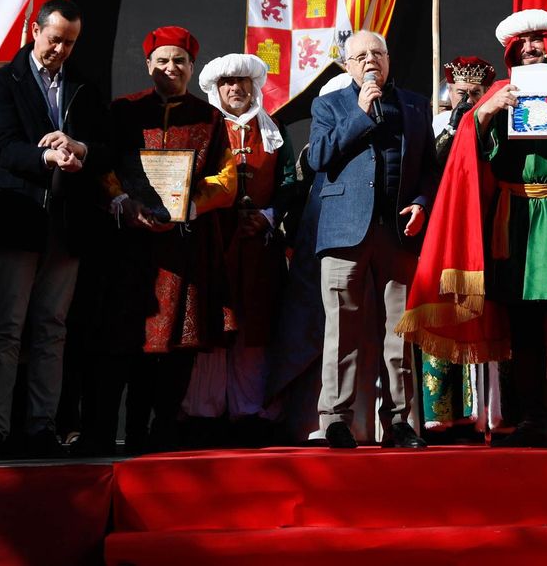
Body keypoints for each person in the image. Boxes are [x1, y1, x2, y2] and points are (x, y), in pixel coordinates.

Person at [400, 9, 547, 449]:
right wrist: (486, 112)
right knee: (524, 325)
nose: (531, 48)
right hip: (515, 221)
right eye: (523, 43)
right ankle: (533, 420)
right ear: (512, 50)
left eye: (539, 40)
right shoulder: (498, 91)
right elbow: (466, 152)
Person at [73, 28, 237, 455]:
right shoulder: (123, 111)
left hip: (181, 247)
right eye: (162, 60)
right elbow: (102, 166)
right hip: (126, 250)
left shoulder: (211, 119)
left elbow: (226, 179)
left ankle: (158, 439)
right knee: (117, 346)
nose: (171, 68)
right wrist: (122, 201)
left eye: (179, 60)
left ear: (191, 66)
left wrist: (187, 206)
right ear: (148, 64)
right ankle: (101, 438)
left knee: (175, 349)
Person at [0, 0, 110, 458]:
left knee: (52, 328)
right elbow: (4, 147)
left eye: (70, 43)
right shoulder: (3, 82)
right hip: (18, 218)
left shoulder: (83, 87)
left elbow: (105, 149)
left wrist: (79, 149)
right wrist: (46, 156)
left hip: (67, 224)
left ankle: (41, 425)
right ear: (35, 31)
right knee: (7, 328)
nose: (61, 50)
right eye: (55, 40)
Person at [307, 30, 439, 449]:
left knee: (400, 332)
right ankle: (336, 420)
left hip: (398, 233)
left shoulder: (417, 105)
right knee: (341, 331)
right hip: (345, 232)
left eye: (377, 53)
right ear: (347, 65)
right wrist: (361, 113)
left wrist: (421, 201)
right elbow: (318, 157)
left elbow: (430, 170)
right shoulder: (330, 105)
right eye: (360, 55)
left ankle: (399, 422)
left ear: (388, 58)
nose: (369, 61)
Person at [180, 51, 297, 443]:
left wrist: (266, 215)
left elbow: (289, 185)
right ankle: (205, 410)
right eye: (227, 83)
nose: (235, 89)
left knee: (254, 327)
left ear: (254, 86)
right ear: (216, 88)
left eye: (242, 82)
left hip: (258, 247)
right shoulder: (205, 128)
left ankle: (251, 410)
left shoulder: (274, 129)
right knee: (214, 324)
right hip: (213, 244)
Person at [423, 54, 496, 438]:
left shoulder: (494, 125)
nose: (466, 100)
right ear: (448, 91)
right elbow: (428, 170)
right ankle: (439, 413)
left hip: (480, 231)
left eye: (474, 94)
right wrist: (453, 131)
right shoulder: (433, 125)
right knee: (441, 315)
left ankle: (481, 413)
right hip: (440, 230)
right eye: (460, 92)